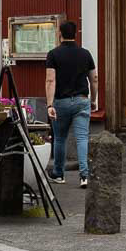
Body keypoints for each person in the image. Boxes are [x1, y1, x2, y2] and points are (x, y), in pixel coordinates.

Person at [45, 20, 96, 188]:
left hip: (61, 102)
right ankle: (84, 176)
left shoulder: (53, 54)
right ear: (76, 34)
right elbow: (94, 79)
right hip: (82, 100)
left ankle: (59, 174)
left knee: (60, 138)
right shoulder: (85, 54)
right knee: (82, 138)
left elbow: (50, 80)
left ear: (60, 34)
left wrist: (49, 104)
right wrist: (93, 99)